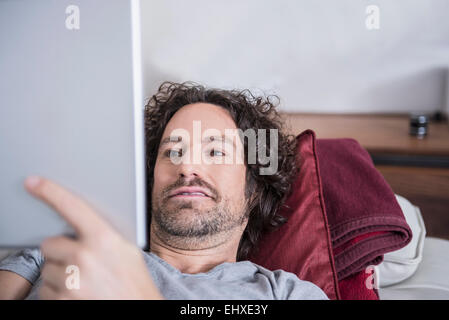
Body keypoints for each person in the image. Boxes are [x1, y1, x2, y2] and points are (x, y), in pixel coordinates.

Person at [0, 82, 328, 300]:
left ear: (254, 187)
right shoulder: (64, 248)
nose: (186, 167)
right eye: (172, 151)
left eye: (215, 152)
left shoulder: (284, 294)